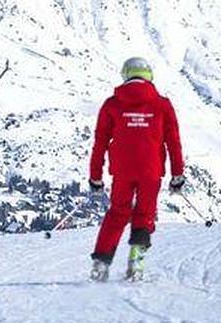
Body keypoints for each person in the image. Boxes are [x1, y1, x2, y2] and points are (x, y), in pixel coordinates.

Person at [88, 57, 185, 282]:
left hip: (122, 169)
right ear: (149, 76)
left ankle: (100, 264)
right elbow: (173, 142)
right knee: (144, 213)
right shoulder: (162, 105)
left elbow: (100, 143)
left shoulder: (112, 104)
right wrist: (177, 174)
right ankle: (136, 264)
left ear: (126, 75)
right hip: (151, 170)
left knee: (118, 213)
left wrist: (95, 177)